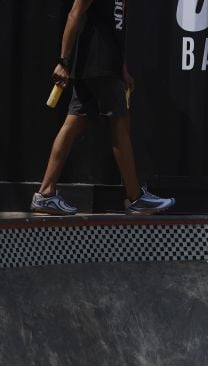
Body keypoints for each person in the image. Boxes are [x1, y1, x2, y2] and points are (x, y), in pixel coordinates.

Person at [30, 0, 175, 215]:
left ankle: (45, 194)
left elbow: (115, 28)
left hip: (106, 64)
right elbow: (74, 14)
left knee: (73, 124)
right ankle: (135, 198)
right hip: (98, 64)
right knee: (120, 123)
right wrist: (63, 61)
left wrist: (122, 67)